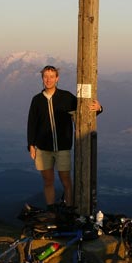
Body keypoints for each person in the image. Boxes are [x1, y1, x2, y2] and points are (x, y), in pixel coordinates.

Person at [27, 65, 103, 210]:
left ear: (57, 79)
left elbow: (84, 109)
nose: (48, 80)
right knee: (48, 180)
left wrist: (99, 108)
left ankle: (69, 210)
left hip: (62, 147)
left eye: (51, 77)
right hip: (43, 148)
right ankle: (51, 210)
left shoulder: (66, 97)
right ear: (42, 79)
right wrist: (31, 144)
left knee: (66, 180)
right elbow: (32, 122)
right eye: (46, 77)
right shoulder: (36, 100)